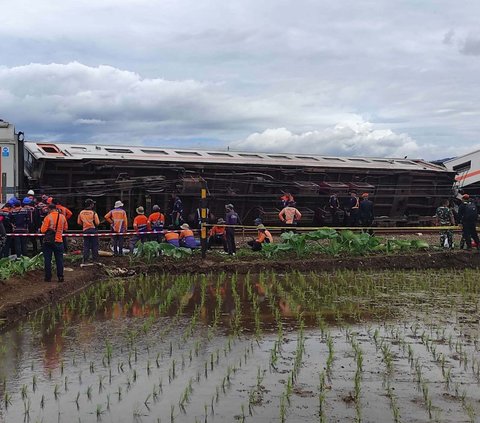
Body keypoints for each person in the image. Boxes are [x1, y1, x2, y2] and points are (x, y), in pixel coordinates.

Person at [41, 203, 68, 282]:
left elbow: (43, 230)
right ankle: (60, 277)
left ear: (49, 209)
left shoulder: (48, 217)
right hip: (59, 241)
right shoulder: (63, 217)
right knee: (59, 260)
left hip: (48, 242)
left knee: (47, 260)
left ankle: (48, 277)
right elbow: (66, 228)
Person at [77, 198, 100, 263]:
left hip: (85, 230)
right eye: (93, 204)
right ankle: (95, 259)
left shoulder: (81, 212)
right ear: (91, 205)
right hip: (93, 230)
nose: (93, 205)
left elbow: (78, 222)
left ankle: (85, 259)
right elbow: (97, 223)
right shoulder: (93, 213)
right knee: (94, 245)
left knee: (86, 245)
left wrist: (84, 224)